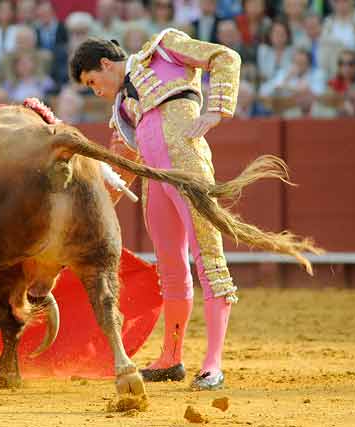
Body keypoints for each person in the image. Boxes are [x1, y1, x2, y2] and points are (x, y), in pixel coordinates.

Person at [69, 30, 243, 391]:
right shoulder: (122, 110)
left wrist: (216, 110)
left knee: (208, 258)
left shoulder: (163, 49)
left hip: (188, 170)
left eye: (92, 82)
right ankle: (171, 357)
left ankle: (212, 364)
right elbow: (125, 164)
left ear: (104, 64)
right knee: (172, 269)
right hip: (155, 185)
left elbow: (225, 57)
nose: (95, 91)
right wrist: (100, 206)